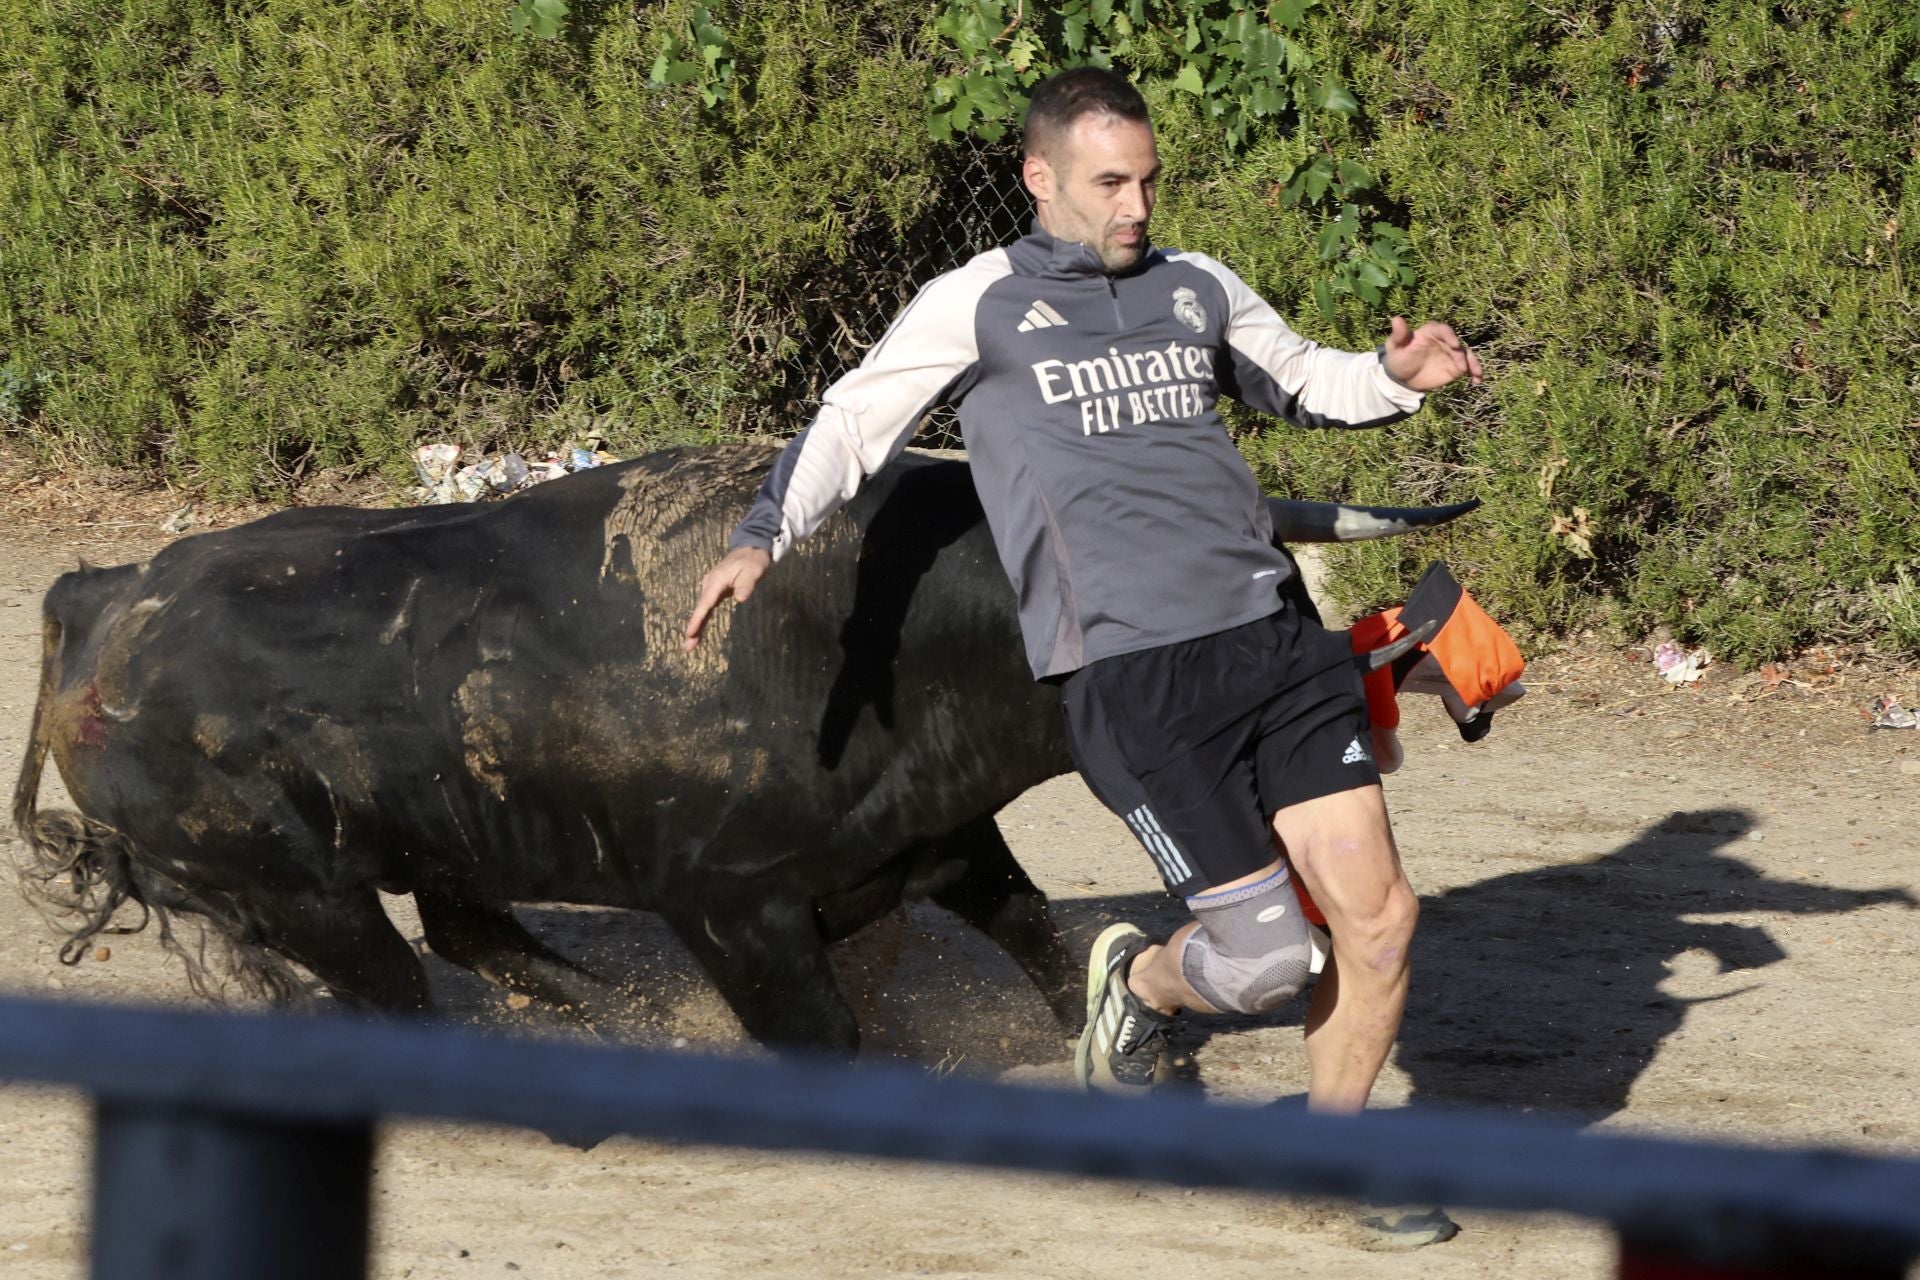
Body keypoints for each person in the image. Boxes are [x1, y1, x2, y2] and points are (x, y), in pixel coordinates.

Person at [684, 69, 1481, 1126]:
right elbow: (850, 422)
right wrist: (760, 537)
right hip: (1135, 675)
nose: (1136, 209)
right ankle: (1141, 987)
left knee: (1379, 921)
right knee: (1269, 957)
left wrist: (1391, 378)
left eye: (1148, 182)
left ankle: (1333, 1156)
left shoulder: (1196, 283)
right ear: (1038, 177)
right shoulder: (976, 302)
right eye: (1110, 184)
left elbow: (1302, 380)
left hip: (1274, 642)